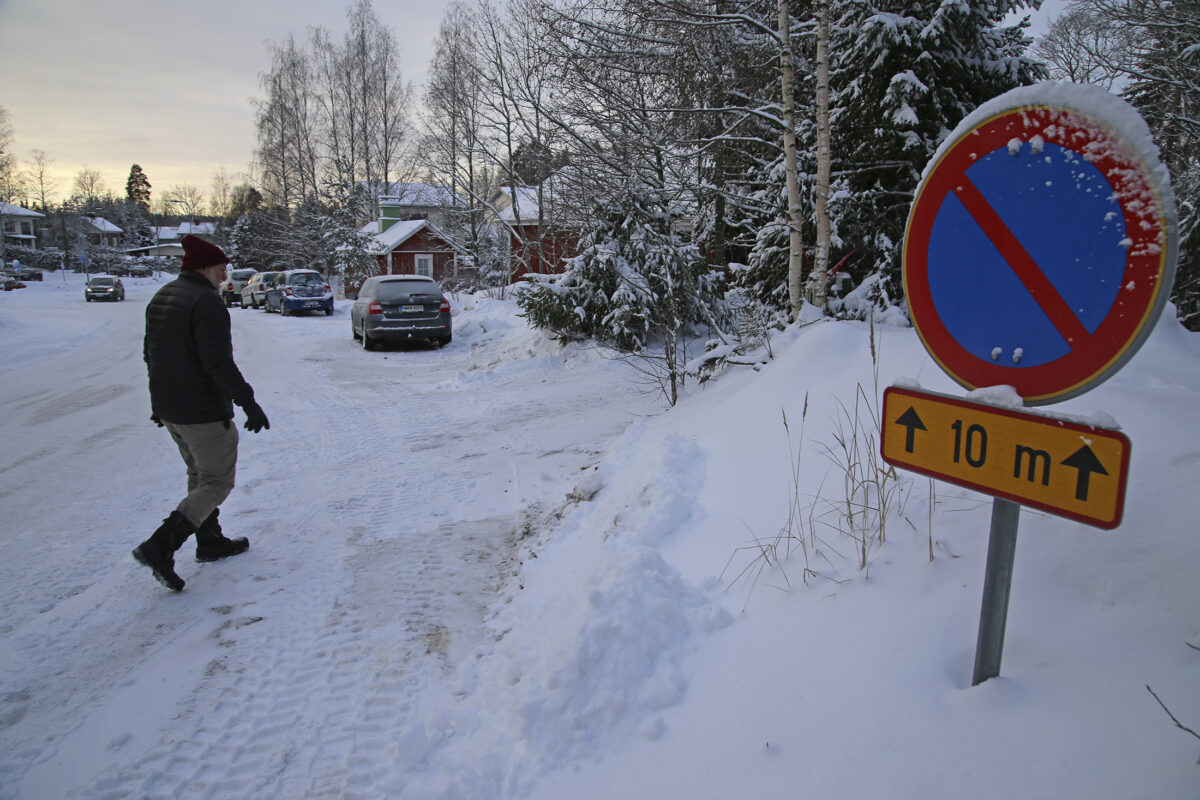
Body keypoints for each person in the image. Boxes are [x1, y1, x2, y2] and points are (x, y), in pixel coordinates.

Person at [133, 235, 270, 591]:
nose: (225, 275)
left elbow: (153, 356)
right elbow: (217, 361)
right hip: (201, 412)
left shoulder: (164, 296)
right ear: (205, 267)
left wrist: (157, 403)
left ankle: (210, 540)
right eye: (222, 268)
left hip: (173, 411)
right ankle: (160, 546)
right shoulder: (206, 303)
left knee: (199, 475)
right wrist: (247, 401)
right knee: (215, 482)